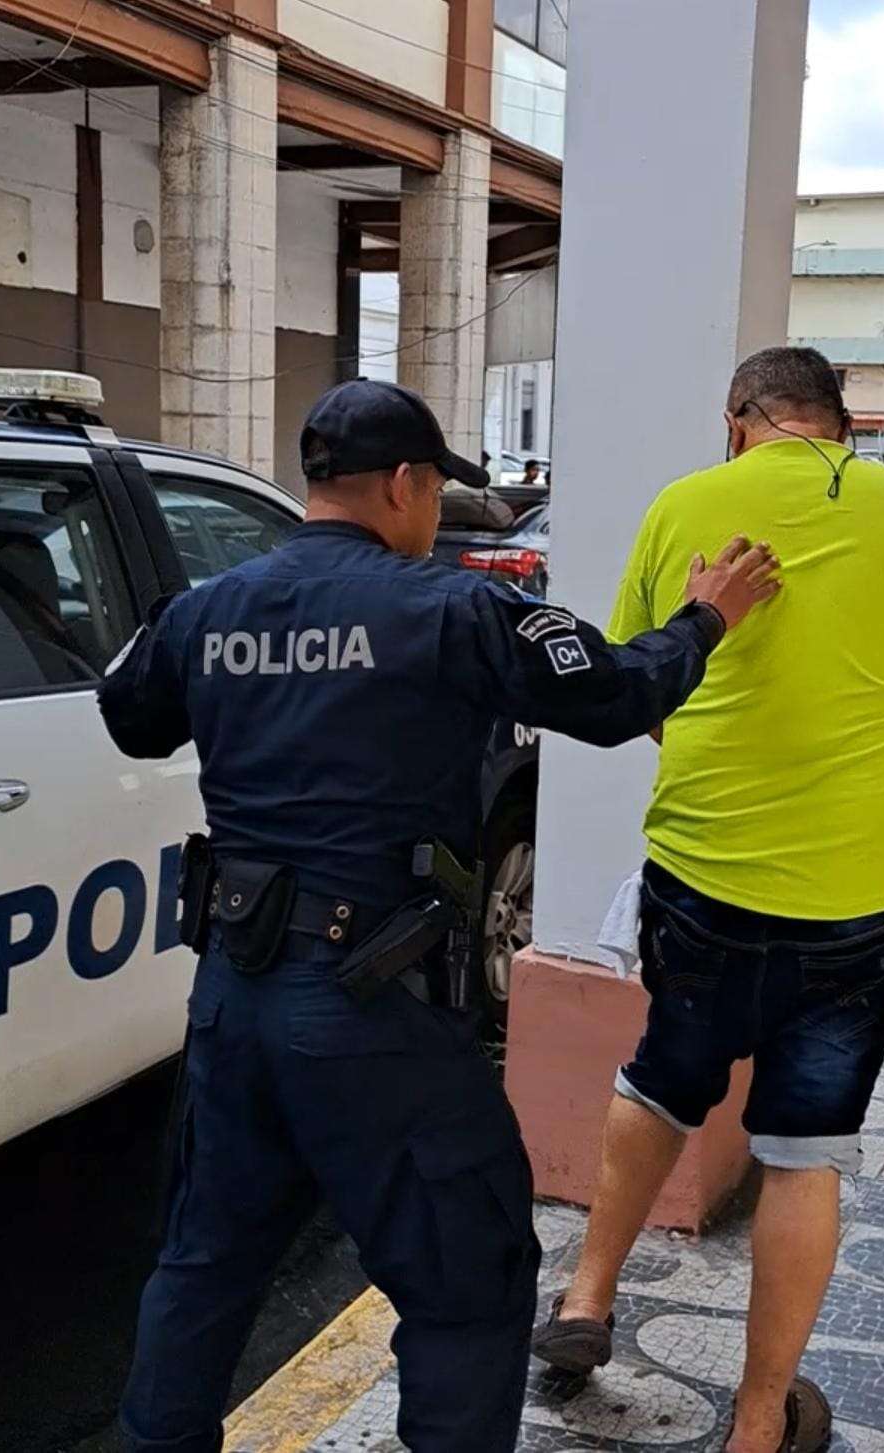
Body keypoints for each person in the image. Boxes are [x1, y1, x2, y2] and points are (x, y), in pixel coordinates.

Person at [97, 378, 781, 1453]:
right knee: (468, 1281)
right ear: (409, 485)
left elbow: (128, 711)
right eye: (437, 492)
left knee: (205, 1267)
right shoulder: (454, 608)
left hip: (235, 1001)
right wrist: (706, 619)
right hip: (379, 1010)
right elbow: (612, 696)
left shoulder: (209, 607)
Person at [531, 347, 884, 1453]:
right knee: (803, 1147)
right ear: (840, 424)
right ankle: (759, 1418)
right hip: (857, 893)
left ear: (738, 421)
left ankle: (587, 1299)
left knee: (663, 1074)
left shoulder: (687, 503)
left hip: (704, 868)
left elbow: (642, 679)